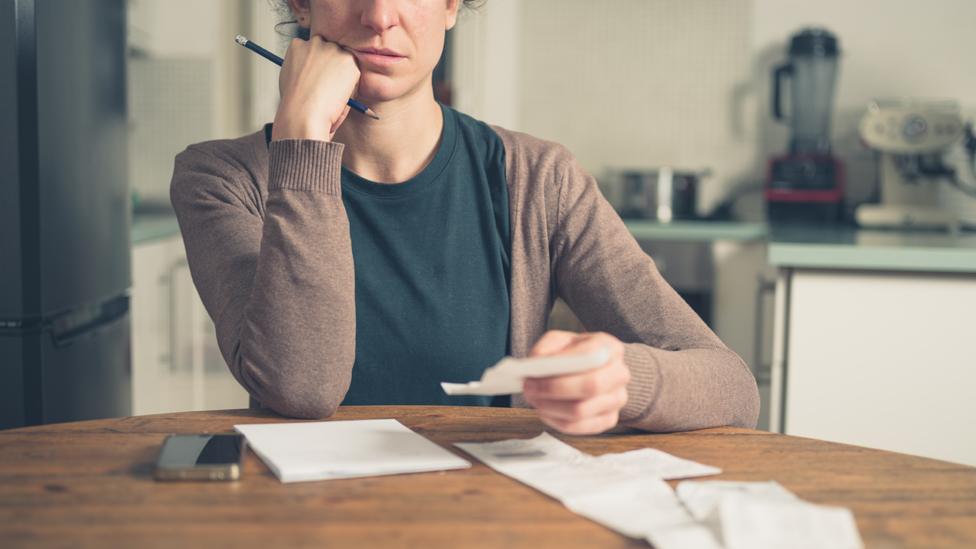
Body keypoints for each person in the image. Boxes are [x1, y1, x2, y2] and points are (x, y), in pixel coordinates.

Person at [170, 0, 759, 435]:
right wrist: (301, 141)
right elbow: (302, 388)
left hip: (489, 518)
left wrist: (624, 379)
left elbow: (732, 388)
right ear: (301, 3)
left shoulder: (539, 179)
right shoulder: (221, 179)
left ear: (452, 5)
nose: (379, 16)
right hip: (300, 523)